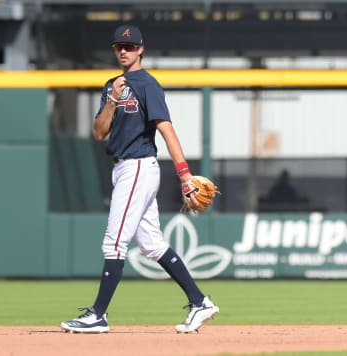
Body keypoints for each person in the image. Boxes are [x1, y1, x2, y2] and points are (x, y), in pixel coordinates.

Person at [60, 24, 219, 334]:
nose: (124, 50)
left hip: (138, 167)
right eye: (119, 45)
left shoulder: (148, 85)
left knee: (114, 242)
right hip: (121, 168)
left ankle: (98, 315)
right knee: (151, 244)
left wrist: (184, 174)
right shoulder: (111, 85)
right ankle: (200, 302)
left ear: (141, 49)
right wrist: (111, 101)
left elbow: (166, 128)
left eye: (130, 46)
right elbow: (99, 131)